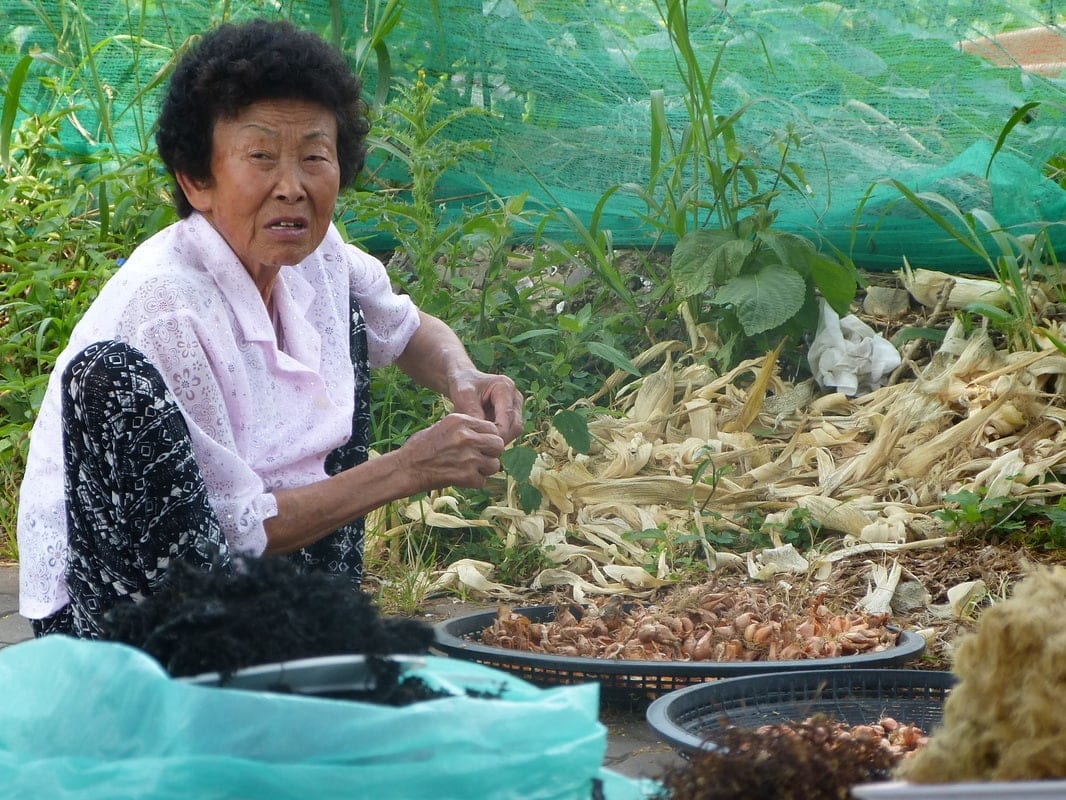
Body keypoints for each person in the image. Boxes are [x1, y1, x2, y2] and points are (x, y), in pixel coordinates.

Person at [16, 18, 523, 639]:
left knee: (352, 314)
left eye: (315, 157)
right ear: (196, 180)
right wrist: (411, 468)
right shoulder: (167, 313)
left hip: (268, 573)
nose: (292, 188)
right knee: (109, 379)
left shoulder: (317, 253)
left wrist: (463, 375)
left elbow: (408, 327)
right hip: (137, 606)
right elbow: (220, 535)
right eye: (260, 158)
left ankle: (306, 633)